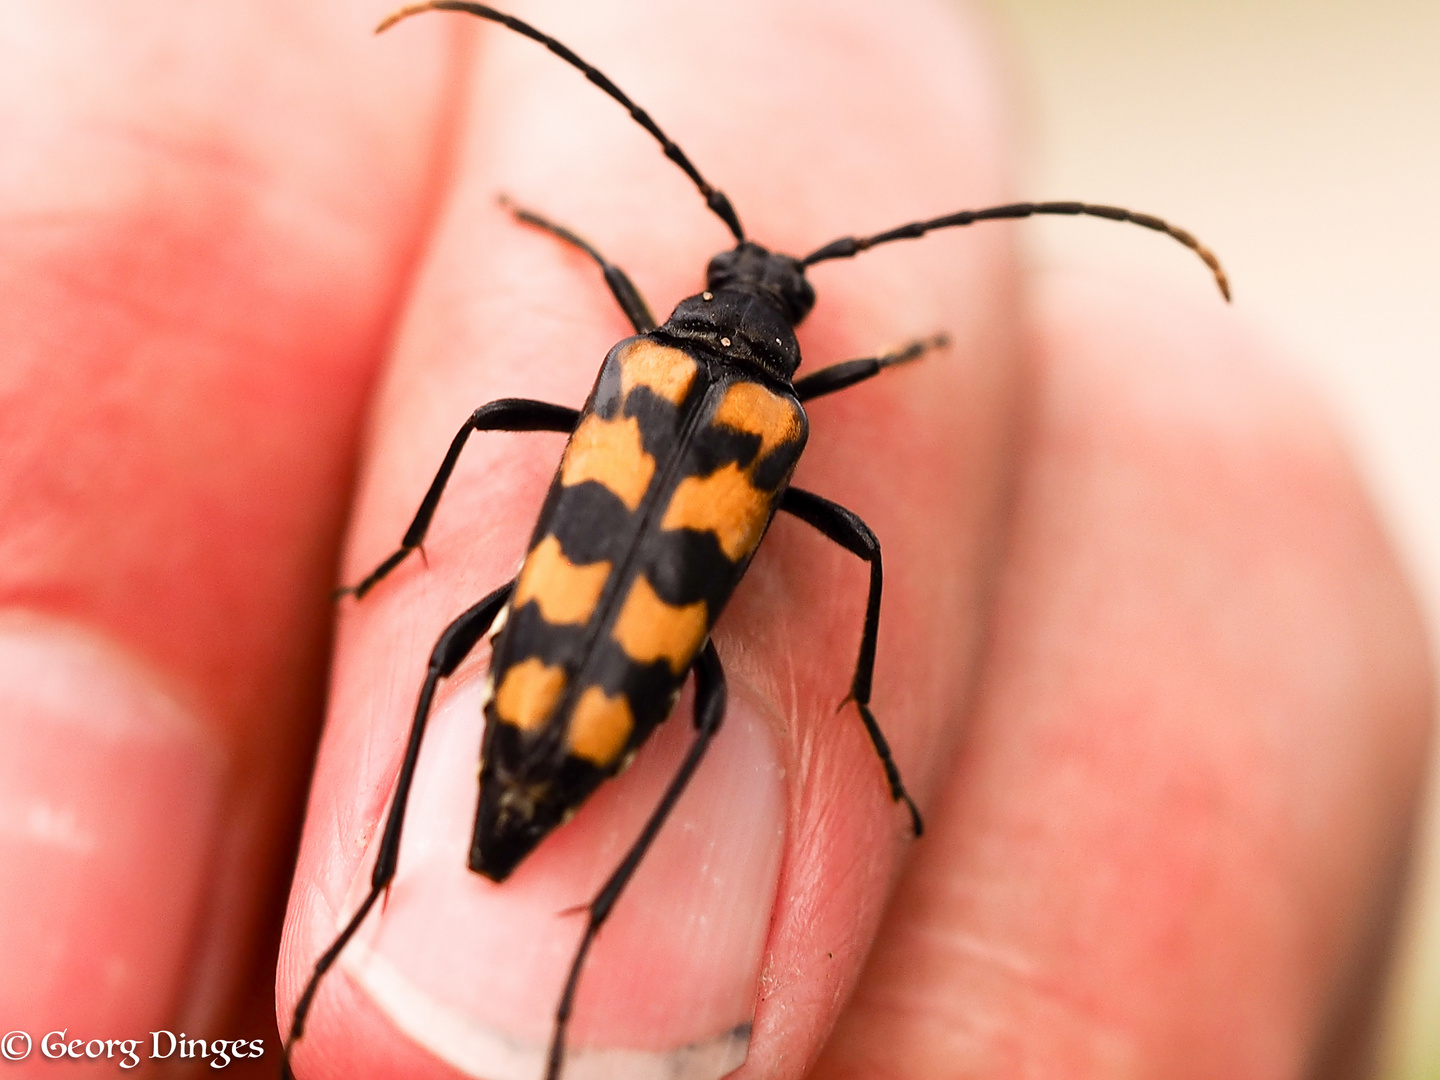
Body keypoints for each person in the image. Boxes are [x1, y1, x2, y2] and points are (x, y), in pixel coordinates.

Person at [0, 1, 1430, 1077]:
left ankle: (453, 924)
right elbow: (852, 551)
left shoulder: (634, 366)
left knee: (460, 646)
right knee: (712, 697)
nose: (764, 292)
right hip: (610, 687)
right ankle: (510, 950)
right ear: (792, 340)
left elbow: (527, 427)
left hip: (552, 664)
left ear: (689, 295)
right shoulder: (774, 430)